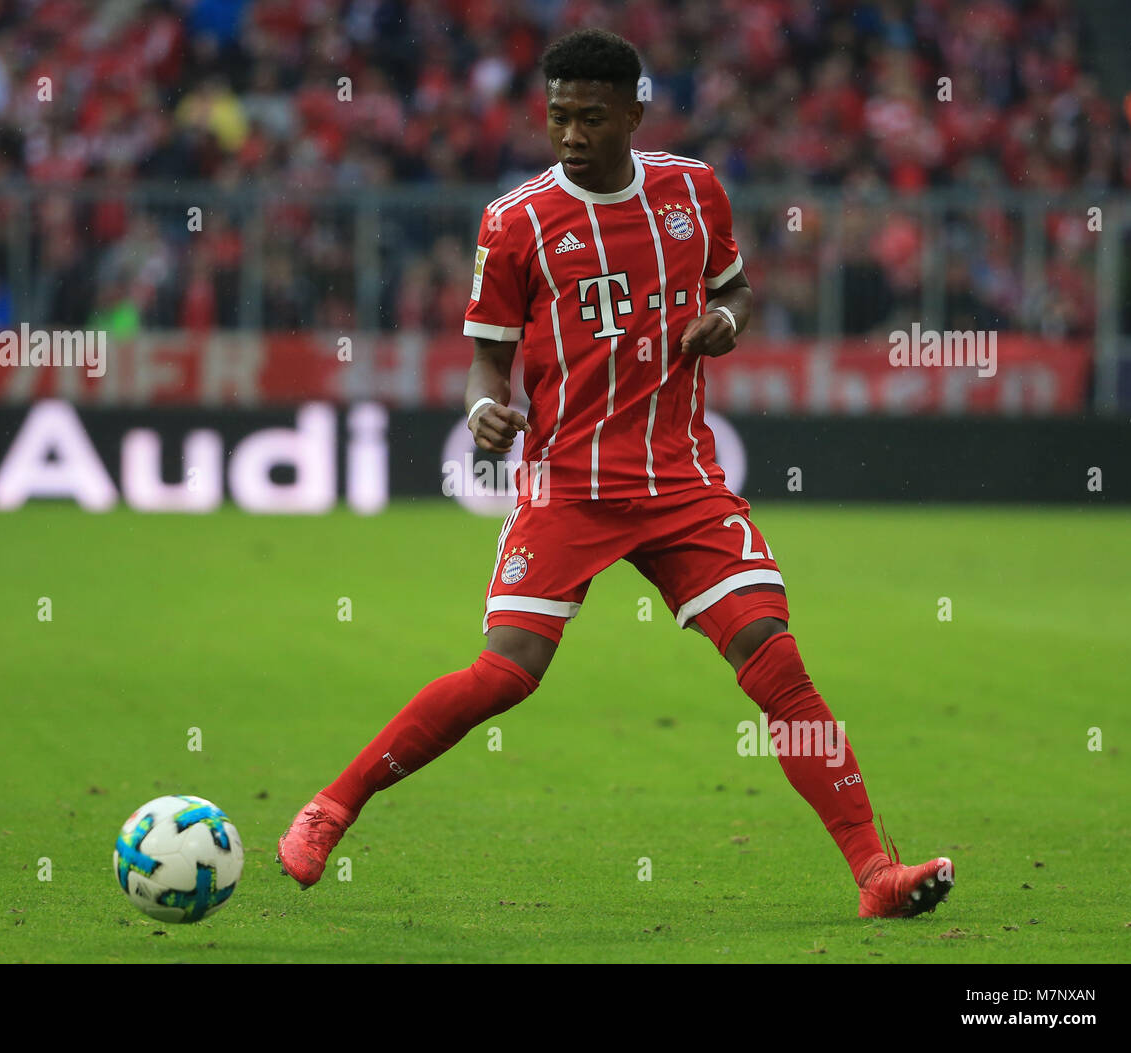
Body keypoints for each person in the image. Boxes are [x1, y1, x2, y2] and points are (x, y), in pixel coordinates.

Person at [278, 28, 954, 919]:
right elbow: (489, 356)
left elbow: (736, 288)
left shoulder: (691, 190)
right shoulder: (514, 221)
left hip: (681, 480)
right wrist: (484, 407)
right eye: (557, 116)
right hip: (569, 482)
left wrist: (727, 319)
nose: (570, 135)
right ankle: (332, 806)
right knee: (505, 672)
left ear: (634, 111)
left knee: (774, 657)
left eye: (591, 117)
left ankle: (875, 873)